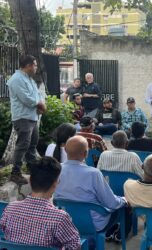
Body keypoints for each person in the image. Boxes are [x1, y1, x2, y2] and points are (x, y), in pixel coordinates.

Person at [54, 136, 129, 242]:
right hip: (93, 224)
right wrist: (124, 200)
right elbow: (111, 203)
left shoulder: (56, 170)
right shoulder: (93, 173)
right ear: (86, 153)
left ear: (65, 150)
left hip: (66, 222)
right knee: (121, 207)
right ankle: (117, 234)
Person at [0, 157, 80, 249]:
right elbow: (74, 245)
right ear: (55, 184)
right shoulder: (60, 218)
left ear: (30, 181)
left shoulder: (10, 209)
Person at [6, 54, 46, 185]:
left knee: (32, 143)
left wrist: (40, 104)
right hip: (22, 117)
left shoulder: (29, 79)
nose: (36, 67)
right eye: (34, 65)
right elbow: (26, 98)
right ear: (28, 66)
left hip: (32, 116)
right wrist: (39, 104)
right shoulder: (16, 79)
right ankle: (15, 173)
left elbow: (37, 95)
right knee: (23, 144)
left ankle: (32, 168)